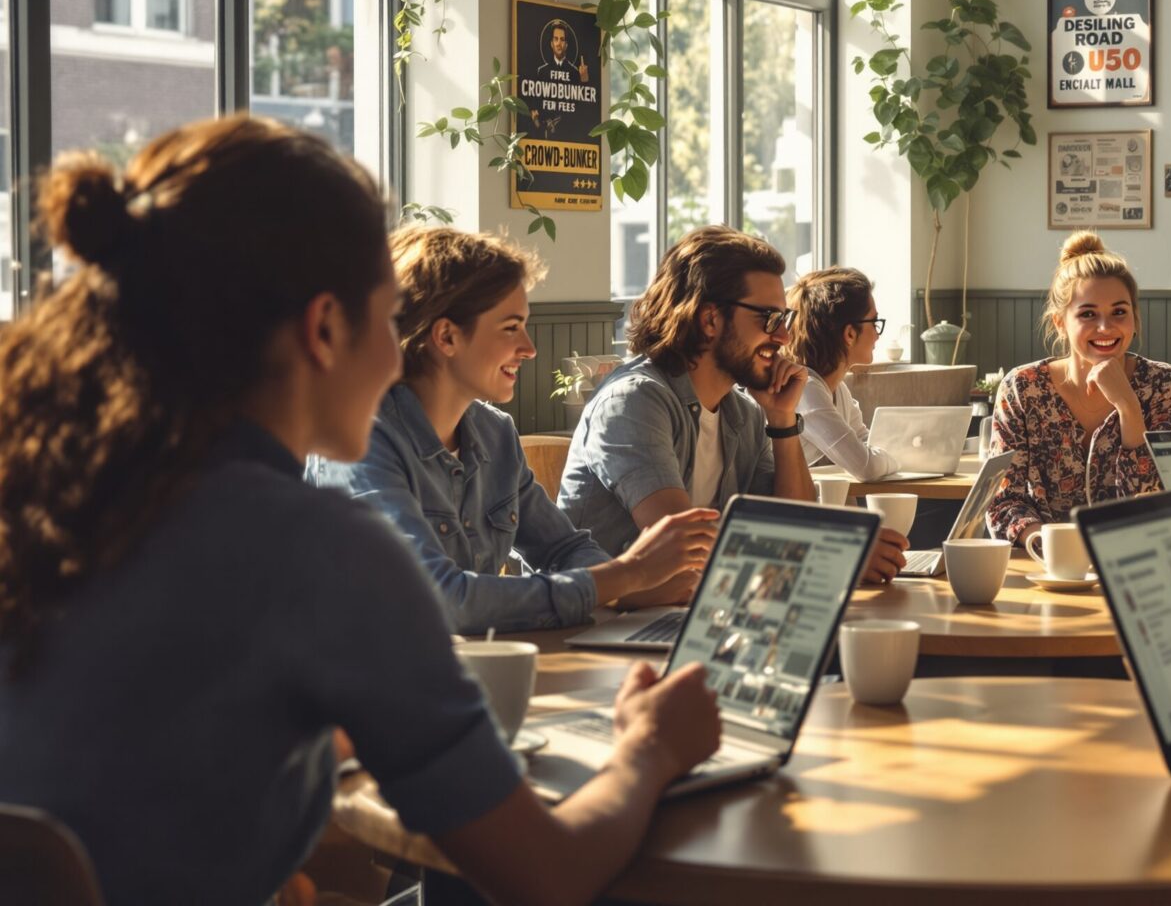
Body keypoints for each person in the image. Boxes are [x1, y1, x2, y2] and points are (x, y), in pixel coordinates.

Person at [0, 117, 720, 905]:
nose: (395, 354)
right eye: (386, 320)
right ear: (324, 328)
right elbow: (547, 873)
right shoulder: (319, 549)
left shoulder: (49, 494)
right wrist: (648, 748)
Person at [308, 228, 714, 634]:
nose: (530, 348)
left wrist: (634, 586)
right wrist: (627, 575)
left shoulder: (493, 433)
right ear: (446, 336)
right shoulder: (356, 440)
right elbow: (438, 600)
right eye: (510, 327)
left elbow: (562, 548)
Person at [558, 226, 906, 584]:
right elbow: (684, 551)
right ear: (710, 320)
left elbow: (795, 526)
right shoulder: (634, 402)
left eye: (784, 320)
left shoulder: (742, 412)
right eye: (770, 319)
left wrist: (783, 420)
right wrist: (835, 556)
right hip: (598, 627)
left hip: (692, 614)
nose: (784, 337)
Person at [986, 233, 1171, 547]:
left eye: (1119, 312)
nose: (1106, 328)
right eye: (1088, 314)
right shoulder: (1021, 388)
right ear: (1060, 323)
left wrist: (1128, 406)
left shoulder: (1164, 385)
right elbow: (1003, 503)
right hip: (1044, 566)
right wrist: (1053, 548)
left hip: (1141, 563)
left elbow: (1157, 502)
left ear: (1134, 316)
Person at [785, 267, 898, 480]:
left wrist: (886, 454)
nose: (877, 334)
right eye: (874, 322)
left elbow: (867, 443)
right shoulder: (805, 389)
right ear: (849, 333)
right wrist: (900, 457)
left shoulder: (838, 390)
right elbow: (866, 467)